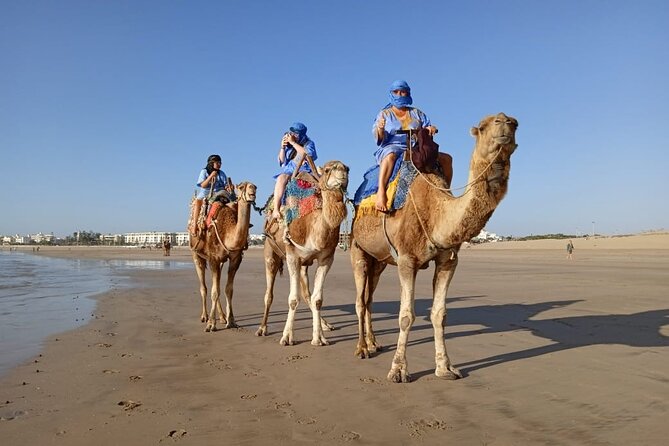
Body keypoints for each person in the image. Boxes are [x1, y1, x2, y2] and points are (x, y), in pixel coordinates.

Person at [373, 80, 447, 212]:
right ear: (391, 93)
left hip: (415, 147)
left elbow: (427, 126)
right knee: (390, 156)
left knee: (446, 159)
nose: (399, 95)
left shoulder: (417, 113)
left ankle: (446, 193)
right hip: (392, 146)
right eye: (396, 92)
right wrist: (380, 128)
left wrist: (431, 128)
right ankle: (381, 193)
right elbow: (379, 138)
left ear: (407, 93)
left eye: (402, 92)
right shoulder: (384, 114)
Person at [271, 122, 318, 220]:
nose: (292, 136)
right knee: (281, 178)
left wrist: (293, 143)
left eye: (295, 134)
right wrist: (283, 148)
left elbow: (307, 154)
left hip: (305, 172)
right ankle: (276, 209)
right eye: (291, 133)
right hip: (289, 172)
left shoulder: (308, 144)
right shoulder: (289, 146)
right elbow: (282, 161)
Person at [189, 154, 234, 236]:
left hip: (220, 193)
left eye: (220, 163)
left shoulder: (221, 173)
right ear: (211, 163)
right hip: (206, 193)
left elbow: (225, 185)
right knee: (198, 202)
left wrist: (229, 187)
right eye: (217, 163)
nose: (219, 164)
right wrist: (210, 176)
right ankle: (195, 225)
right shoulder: (204, 172)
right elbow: (203, 185)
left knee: (235, 202)